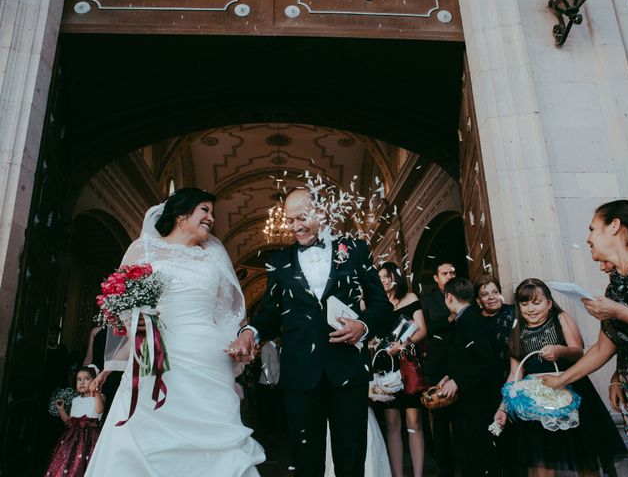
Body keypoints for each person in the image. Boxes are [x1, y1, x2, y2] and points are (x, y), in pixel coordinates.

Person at [86, 188, 264, 475]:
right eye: (205, 210)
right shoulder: (142, 249)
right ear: (182, 215)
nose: (211, 218)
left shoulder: (214, 257)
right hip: (156, 354)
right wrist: (135, 319)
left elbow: (226, 313)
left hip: (208, 358)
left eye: (212, 213)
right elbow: (118, 301)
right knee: (147, 432)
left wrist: (238, 341)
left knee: (211, 437)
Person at [228, 188, 394, 477]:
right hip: (300, 375)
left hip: (347, 371)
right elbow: (269, 310)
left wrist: (363, 326)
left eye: (302, 218)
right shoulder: (279, 261)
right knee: (306, 462)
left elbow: (381, 305)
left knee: (351, 458)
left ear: (322, 213)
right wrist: (250, 330)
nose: (295, 227)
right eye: (290, 221)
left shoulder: (355, 250)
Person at [543, 199, 628, 459]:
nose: (588, 238)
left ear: (615, 225)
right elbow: (601, 348)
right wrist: (560, 380)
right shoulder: (616, 286)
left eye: (592, 229)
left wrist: (617, 311)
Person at [498, 278, 625, 476]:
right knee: (542, 465)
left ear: (549, 303)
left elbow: (578, 352)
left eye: (536, 302)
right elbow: (516, 373)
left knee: (586, 461)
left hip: (571, 391)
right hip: (536, 401)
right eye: (524, 304)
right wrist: (503, 408)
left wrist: (560, 351)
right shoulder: (517, 332)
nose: (531, 309)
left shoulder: (561, 318)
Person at [438, 277, 501, 477]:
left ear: (448, 297)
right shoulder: (464, 319)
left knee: (477, 458)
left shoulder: (471, 320)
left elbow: (485, 360)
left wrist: (458, 381)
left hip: (477, 404)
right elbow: (467, 358)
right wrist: (449, 377)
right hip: (467, 403)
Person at [375, 262, 427, 477]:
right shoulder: (376, 304)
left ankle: (418, 474)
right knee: (392, 422)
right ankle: (397, 474)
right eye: (380, 277)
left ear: (396, 276)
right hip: (386, 366)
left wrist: (404, 345)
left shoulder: (411, 298)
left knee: (414, 421)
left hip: (407, 363)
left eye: (387, 275)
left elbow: (423, 330)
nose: (384, 280)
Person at [420, 261, 456, 477]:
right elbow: (425, 329)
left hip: (460, 363)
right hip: (437, 364)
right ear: (436, 278)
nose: (450, 276)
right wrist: (449, 319)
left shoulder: (463, 294)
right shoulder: (427, 301)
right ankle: (445, 468)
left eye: (453, 272)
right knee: (440, 422)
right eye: (445, 273)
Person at [45, 365, 105, 477]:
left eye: (87, 379)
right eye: (79, 379)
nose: (82, 382)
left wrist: (96, 392)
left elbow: (99, 409)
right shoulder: (75, 400)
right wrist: (61, 409)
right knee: (67, 462)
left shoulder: (100, 397)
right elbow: (69, 422)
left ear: (95, 381)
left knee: (87, 464)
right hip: (72, 438)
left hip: (90, 437)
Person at [474, 274, 516, 380]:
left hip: (512, 375)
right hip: (484, 380)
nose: (491, 297)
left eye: (495, 292)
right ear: (478, 300)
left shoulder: (512, 312)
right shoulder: (473, 320)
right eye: (485, 294)